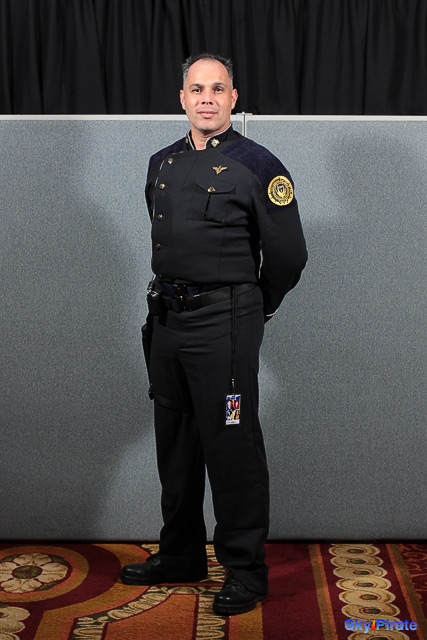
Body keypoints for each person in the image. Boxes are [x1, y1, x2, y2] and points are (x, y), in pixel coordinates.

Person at [120, 52, 307, 615]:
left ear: (233, 98)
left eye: (217, 88)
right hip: (167, 321)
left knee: (231, 445)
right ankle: (180, 553)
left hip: (223, 324)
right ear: (182, 98)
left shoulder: (259, 166)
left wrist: (254, 308)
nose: (207, 98)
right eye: (196, 89)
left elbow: (288, 256)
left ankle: (245, 571)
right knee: (175, 441)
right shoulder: (161, 162)